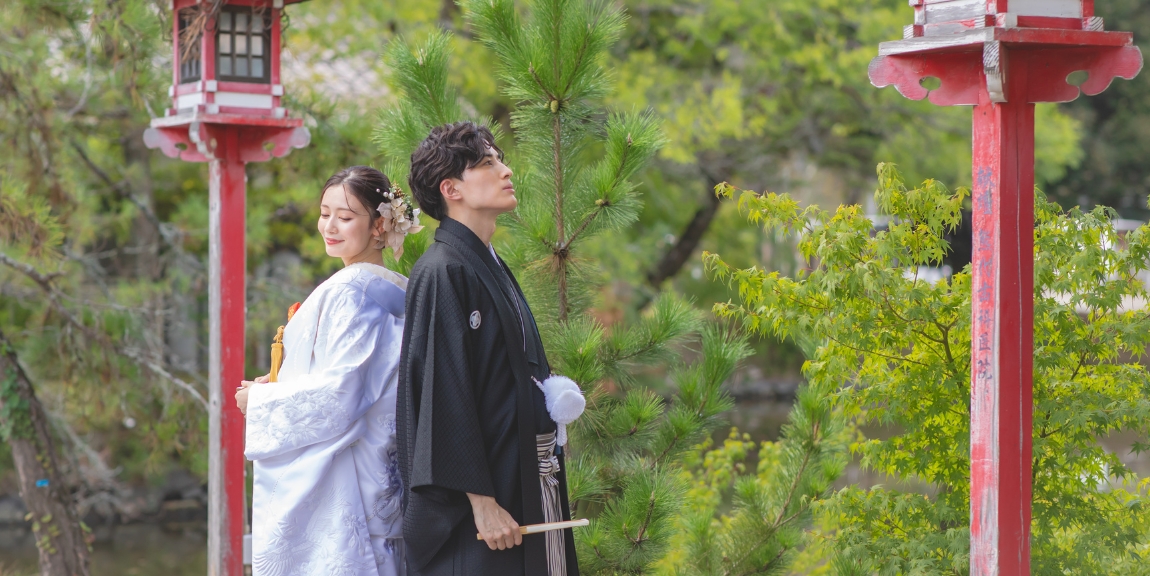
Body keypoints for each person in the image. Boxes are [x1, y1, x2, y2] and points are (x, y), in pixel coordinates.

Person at [397, 121, 581, 576]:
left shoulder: (489, 261)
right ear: (451, 188)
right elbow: (444, 395)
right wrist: (481, 503)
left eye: (499, 158)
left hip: (526, 475)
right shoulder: (441, 270)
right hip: (484, 497)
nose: (506, 169)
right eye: (487, 163)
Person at [236, 166, 421, 576]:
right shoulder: (396, 290)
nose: (330, 226)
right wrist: (282, 382)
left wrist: (262, 400)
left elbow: (341, 394)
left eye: (346, 216)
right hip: (383, 467)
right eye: (324, 213)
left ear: (380, 225)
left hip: (352, 479)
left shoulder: (349, 292)